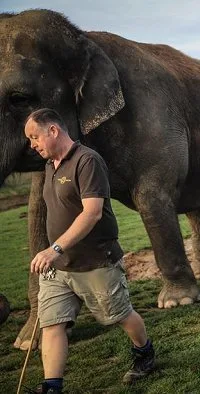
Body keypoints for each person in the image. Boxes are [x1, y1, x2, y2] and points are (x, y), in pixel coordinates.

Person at [24, 108, 155, 393]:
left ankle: (144, 351)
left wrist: (54, 248)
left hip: (95, 261)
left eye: (35, 136)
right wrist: (53, 253)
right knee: (52, 323)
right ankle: (52, 385)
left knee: (121, 315)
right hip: (58, 267)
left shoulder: (87, 161)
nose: (32, 144)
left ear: (53, 131)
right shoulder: (50, 166)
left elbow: (92, 213)